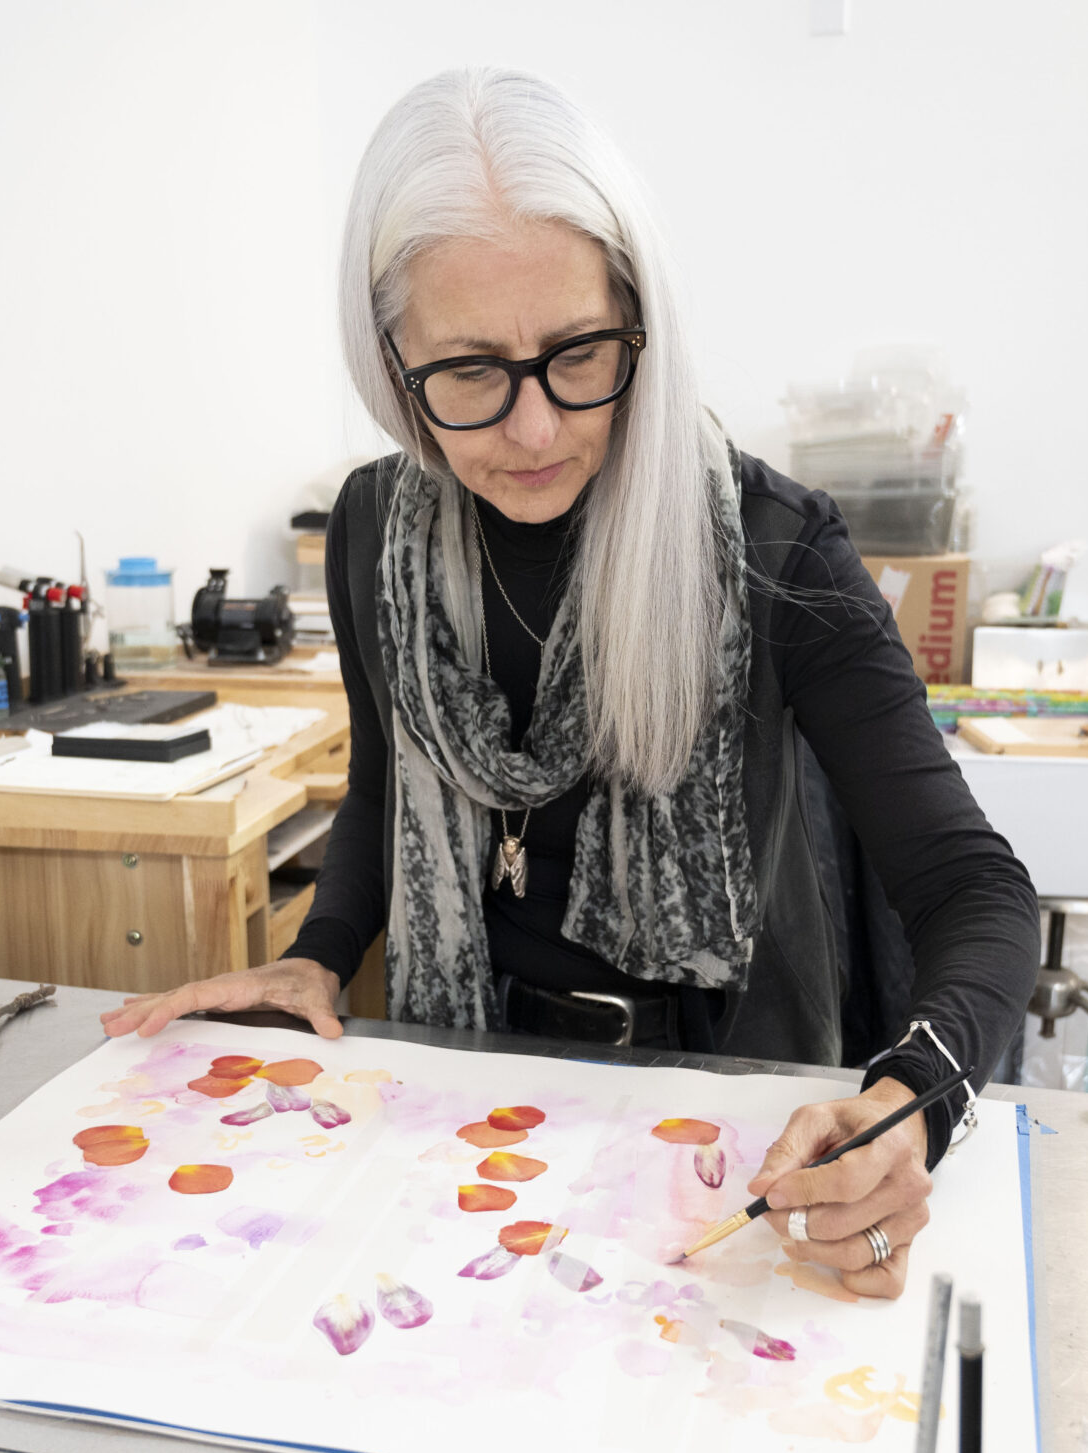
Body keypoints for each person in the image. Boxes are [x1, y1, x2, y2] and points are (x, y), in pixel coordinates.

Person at [108, 68, 1037, 1297]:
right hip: (461, 1094)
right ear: (393, 364)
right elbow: (391, 781)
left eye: (577, 354)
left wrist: (916, 1094)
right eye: (471, 372)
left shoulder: (773, 550)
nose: (536, 428)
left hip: (719, 1120)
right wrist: (317, 954)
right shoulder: (376, 534)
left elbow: (976, 888)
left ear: (636, 323)